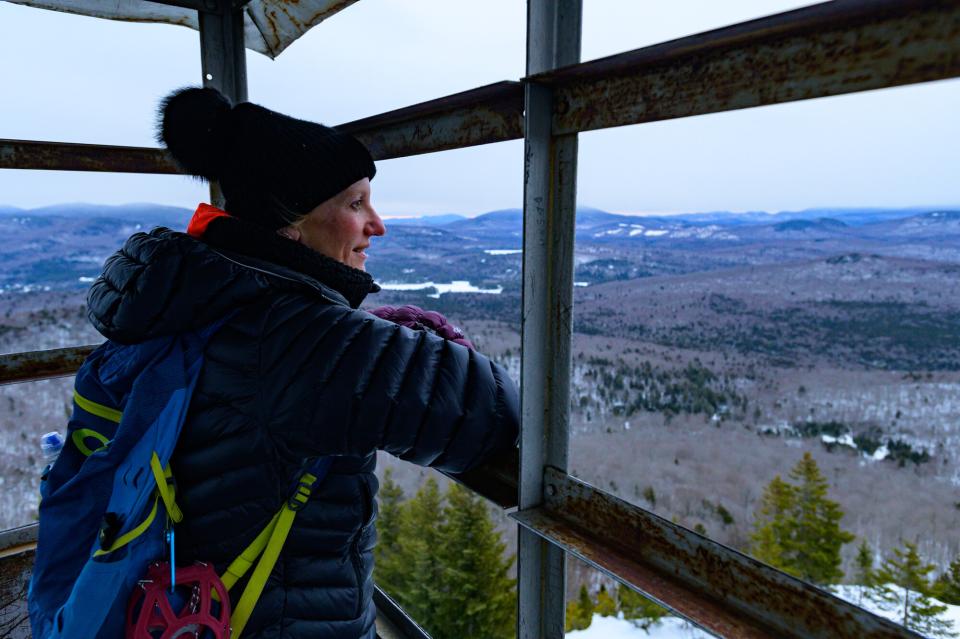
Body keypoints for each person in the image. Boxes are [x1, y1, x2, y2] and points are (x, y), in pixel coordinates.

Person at [86, 87, 520, 639]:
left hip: (192, 607)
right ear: (288, 224)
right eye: (355, 203)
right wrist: (426, 341)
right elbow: (493, 413)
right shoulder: (302, 340)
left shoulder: (200, 293)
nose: (377, 224)